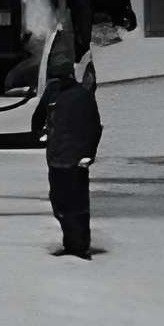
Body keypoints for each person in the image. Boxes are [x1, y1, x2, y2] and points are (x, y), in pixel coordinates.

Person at [39, 50, 103, 259]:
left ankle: (79, 245)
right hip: (57, 158)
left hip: (73, 160)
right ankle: (72, 243)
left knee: (76, 204)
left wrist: (88, 155)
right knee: (61, 202)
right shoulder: (54, 93)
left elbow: (94, 127)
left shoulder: (80, 96)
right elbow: (39, 118)